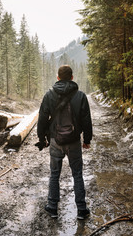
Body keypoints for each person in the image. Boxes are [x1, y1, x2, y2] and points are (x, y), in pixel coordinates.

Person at [36, 65, 92, 220]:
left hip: (55, 140)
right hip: (74, 141)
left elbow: (42, 118)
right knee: (77, 174)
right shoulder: (80, 95)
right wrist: (87, 140)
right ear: (72, 78)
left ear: (58, 77)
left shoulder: (49, 95)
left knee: (54, 174)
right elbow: (86, 120)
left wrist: (42, 139)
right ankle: (81, 209)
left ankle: (52, 207)